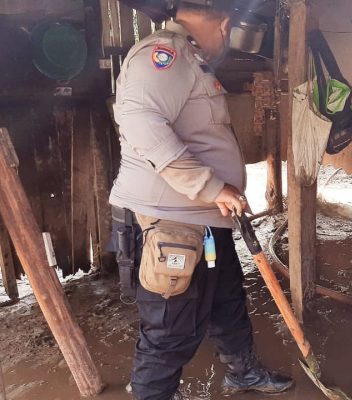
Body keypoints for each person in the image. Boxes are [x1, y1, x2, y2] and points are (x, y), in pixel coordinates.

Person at [109, 1, 294, 399]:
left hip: (206, 218)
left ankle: (242, 372)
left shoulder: (188, 57)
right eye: (227, 31)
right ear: (225, 24)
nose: (225, 40)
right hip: (170, 221)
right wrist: (210, 187)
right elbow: (141, 123)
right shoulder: (165, 55)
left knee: (227, 301)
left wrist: (215, 195)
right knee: (171, 326)